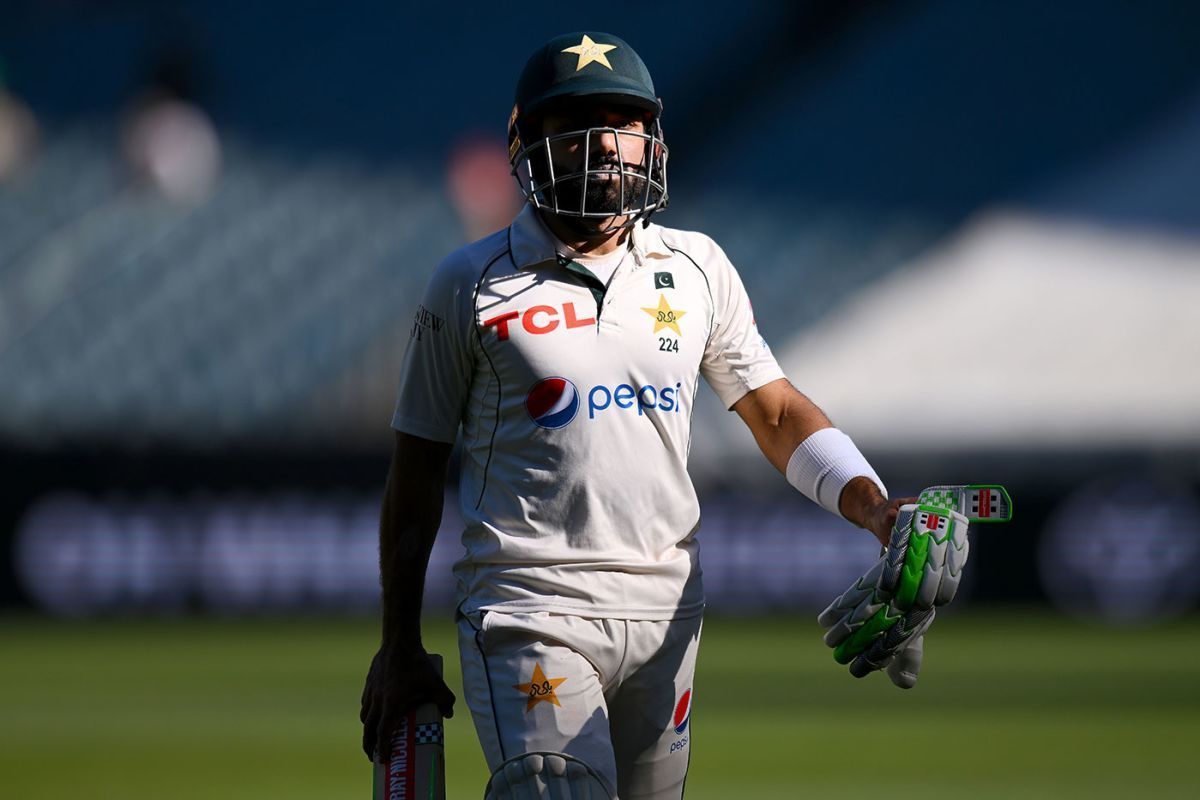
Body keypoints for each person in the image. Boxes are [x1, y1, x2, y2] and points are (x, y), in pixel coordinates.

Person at [360, 31, 913, 799]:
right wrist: (397, 643)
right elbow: (414, 470)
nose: (603, 145)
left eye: (622, 121)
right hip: (529, 605)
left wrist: (875, 507)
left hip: (667, 610)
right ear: (525, 141)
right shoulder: (468, 282)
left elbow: (778, 413)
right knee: (556, 788)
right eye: (576, 121)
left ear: (651, 137)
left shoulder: (696, 268)